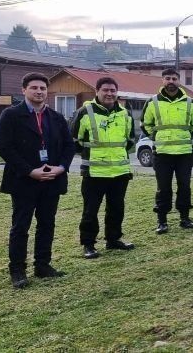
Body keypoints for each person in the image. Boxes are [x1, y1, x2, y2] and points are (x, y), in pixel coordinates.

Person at [0, 72, 75, 288]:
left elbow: (69, 146)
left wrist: (61, 168)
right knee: (21, 226)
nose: (39, 91)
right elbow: (5, 148)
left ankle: (43, 265)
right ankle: (18, 270)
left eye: (42, 88)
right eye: (34, 88)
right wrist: (30, 171)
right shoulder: (11, 115)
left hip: (51, 179)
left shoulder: (56, 118)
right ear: (24, 90)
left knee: (47, 223)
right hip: (24, 181)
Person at [71, 77, 136, 260]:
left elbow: (129, 140)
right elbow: (75, 140)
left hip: (120, 172)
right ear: (97, 91)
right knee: (91, 210)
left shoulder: (125, 113)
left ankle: (113, 239)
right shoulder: (85, 112)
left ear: (117, 92)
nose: (109, 94)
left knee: (117, 208)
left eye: (113, 90)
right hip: (94, 172)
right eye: (105, 90)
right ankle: (88, 244)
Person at [141, 68, 193, 234]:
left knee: (184, 186)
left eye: (174, 78)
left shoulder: (189, 102)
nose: (171, 82)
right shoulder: (152, 102)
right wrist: (157, 137)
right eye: (168, 78)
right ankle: (162, 221)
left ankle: (185, 218)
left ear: (179, 81)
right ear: (162, 81)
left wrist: (186, 136)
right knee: (163, 188)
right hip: (162, 153)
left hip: (184, 153)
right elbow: (145, 125)